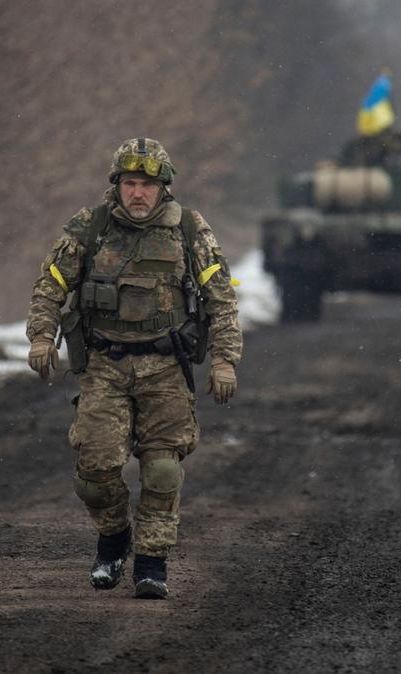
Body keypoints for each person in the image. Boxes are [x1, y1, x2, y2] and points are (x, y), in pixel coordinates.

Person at [25, 137, 242, 599]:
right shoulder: (91, 227)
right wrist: (41, 335)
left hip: (165, 366)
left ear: (162, 187)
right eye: (129, 183)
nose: (137, 193)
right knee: (95, 471)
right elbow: (50, 285)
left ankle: (151, 564)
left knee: (162, 470)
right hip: (105, 365)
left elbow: (220, 299)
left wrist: (224, 360)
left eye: (146, 184)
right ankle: (114, 538)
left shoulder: (188, 229)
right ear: (117, 185)